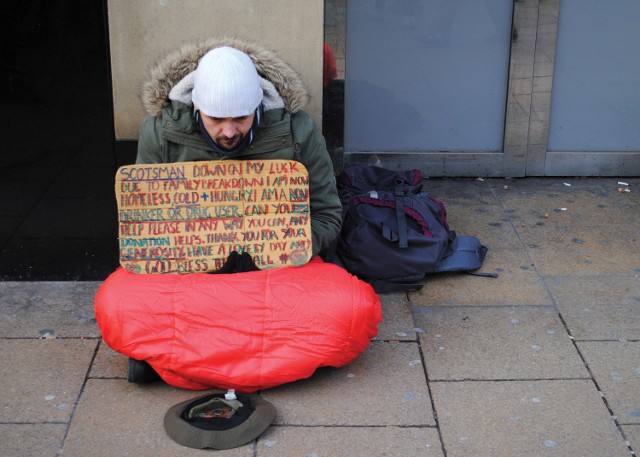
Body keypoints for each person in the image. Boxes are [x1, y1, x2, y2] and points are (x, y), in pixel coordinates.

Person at [136, 38, 342, 261]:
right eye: (215, 119)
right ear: (196, 107)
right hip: (189, 263)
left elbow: (326, 213)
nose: (229, 132)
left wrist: (280, 249)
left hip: (279, 262)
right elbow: (144, 217)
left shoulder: (299, 130)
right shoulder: (159, 132)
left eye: (242, 118)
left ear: (258, 105)